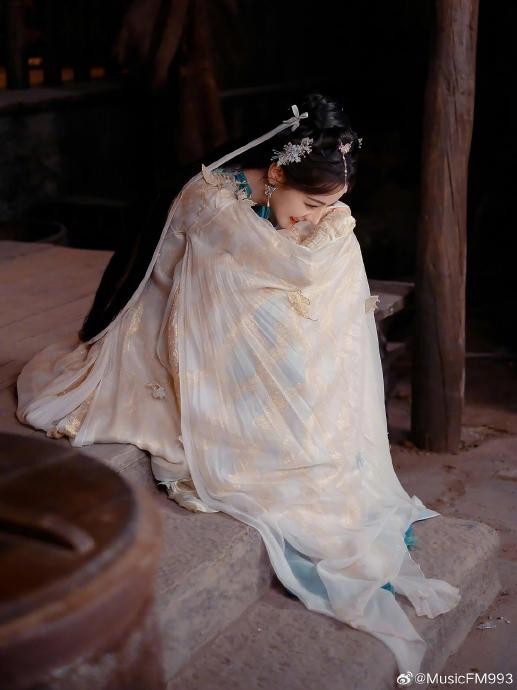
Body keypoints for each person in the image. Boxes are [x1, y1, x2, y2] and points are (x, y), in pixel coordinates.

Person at [16, 93, 461, 675]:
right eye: (311, 204)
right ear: (276, 174)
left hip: (235, 317)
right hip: (178, 329)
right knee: (286, 333)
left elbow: (291, 267)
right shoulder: (210, 201)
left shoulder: (293, 205)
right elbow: (224, 294)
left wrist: (323, 240)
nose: (315, 218)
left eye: (329, 205)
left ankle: (306, 437)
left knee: (321, 295)